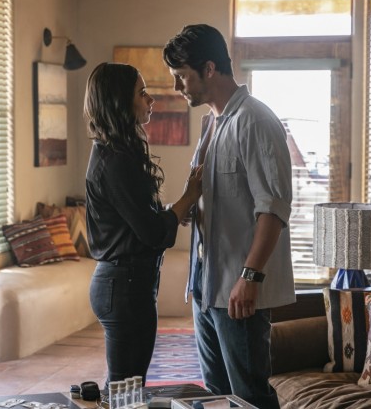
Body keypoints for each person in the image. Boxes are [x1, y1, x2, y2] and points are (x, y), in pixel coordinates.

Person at [163, 24, 295, 408]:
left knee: (249, 396)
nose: (177, 87)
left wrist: (249, 277)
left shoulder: (255, 121)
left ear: (209, 69)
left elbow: (273, 209)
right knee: (217, 396)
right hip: (206, 285)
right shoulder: (211, 124)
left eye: (182, 76)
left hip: (239, 289)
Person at [84, 62, 203, 388]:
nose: (151, 100)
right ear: (120, 102)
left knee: (125, 386)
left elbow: (135, 218)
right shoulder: (115, 160)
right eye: (142, 93)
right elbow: (152, 233)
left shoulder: (114, 152)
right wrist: (188, 197)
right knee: (126, 390)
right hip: (124, 288)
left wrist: (174, 210)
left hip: (125, 285)